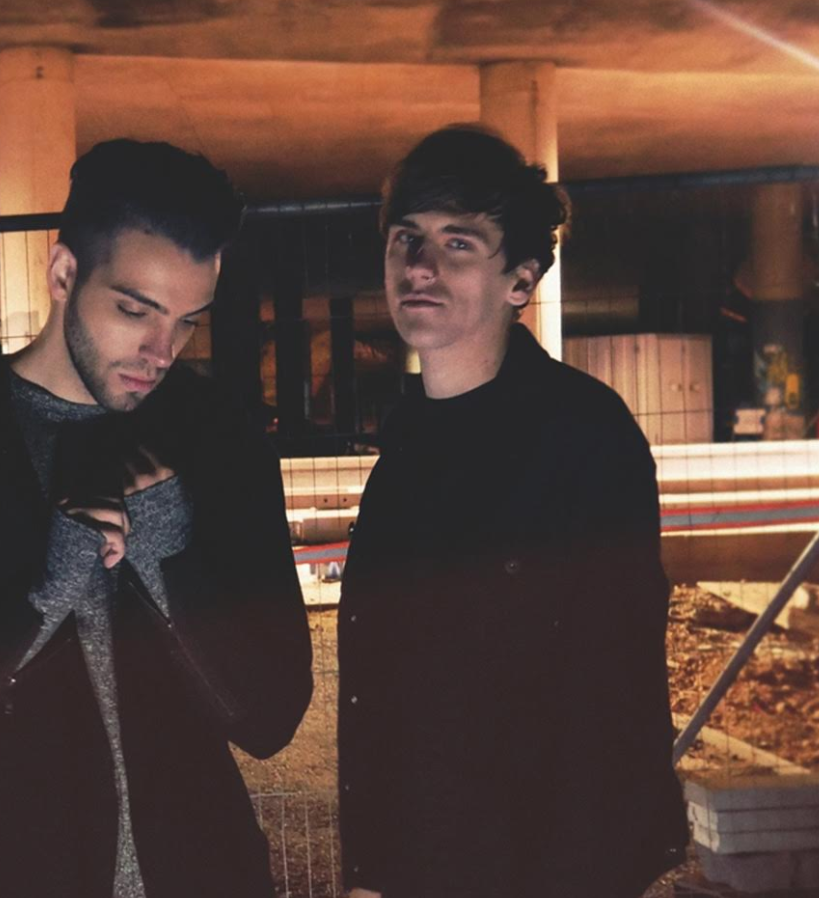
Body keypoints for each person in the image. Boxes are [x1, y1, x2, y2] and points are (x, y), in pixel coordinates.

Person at [0, 139, 314, 898]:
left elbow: (271, 718)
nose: (161, 350)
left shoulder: (221, 441)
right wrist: (44, 591)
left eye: (187, 322)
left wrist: (170, 557)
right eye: (135, 310)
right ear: (63, 273)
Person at [338, 125, 689, 898]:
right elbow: (384, 696)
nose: (419, 265)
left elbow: (611, 705)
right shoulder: (405, 453)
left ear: (520, 280)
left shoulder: (581, 440)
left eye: (458, 243)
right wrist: (371, 872)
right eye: (405, 238)